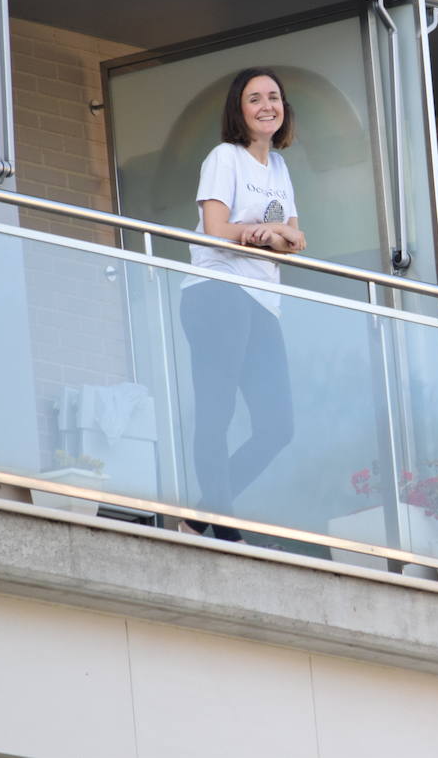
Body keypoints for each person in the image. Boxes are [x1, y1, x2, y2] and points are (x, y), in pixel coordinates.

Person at [178, 68, 305, 541]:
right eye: (255, 98)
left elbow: (296, 237)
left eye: (274, 96)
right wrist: (265, 236)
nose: (267, 105)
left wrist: (268, 235)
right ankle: (225, 526)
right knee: (217, 411)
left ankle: (199, 517)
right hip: (218, 291)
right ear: (239, 109)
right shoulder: (224, 158)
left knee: (278, 427)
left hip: (262, 301)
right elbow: (215, 229)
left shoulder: (278, 168)